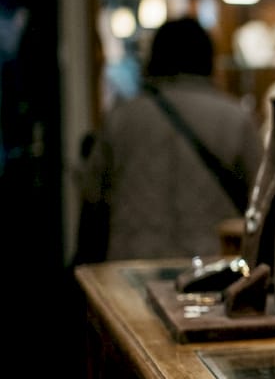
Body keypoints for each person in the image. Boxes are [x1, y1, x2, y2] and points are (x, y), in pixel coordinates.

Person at [79, 16, 263, 262]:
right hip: (211, 268)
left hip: (128, 268)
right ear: (208, 59)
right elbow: (262, 203)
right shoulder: (235, 119)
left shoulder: (122, 118)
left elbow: (93, 207)